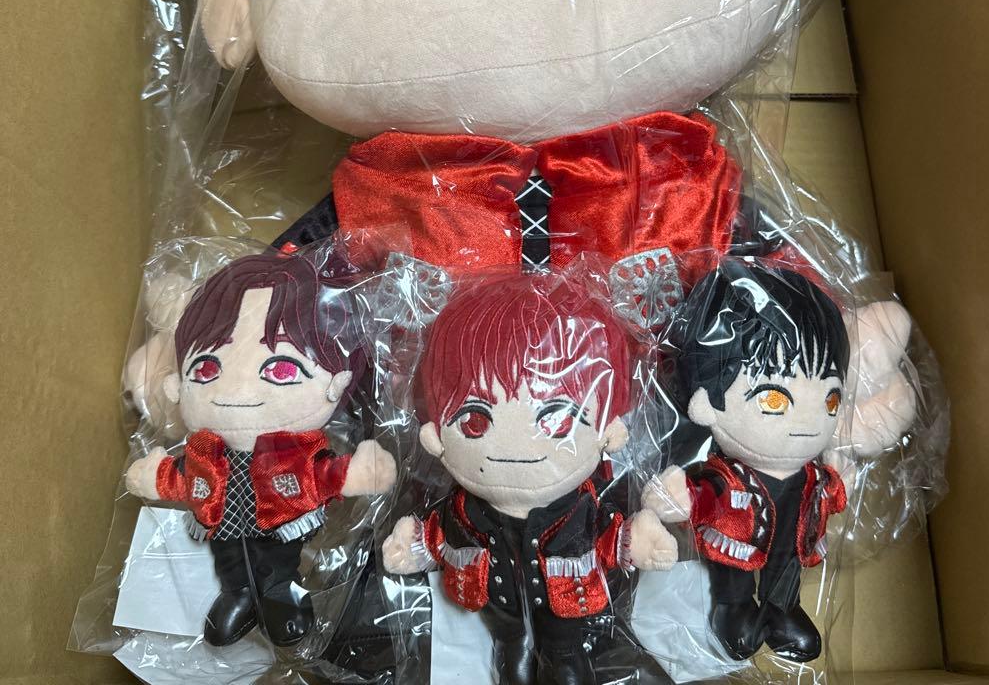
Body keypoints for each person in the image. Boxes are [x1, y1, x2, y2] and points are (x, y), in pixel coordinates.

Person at [381, 270, 677, 685]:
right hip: (498, 608)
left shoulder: (581, 507)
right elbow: (442, 534)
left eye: (556, 420)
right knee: (509, 640)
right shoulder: (465, 509)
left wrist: (635, 540)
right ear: (435, 436)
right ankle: (513, 646)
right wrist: (415, 545)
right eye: (475, 421)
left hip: (566, 609)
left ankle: (563, 653)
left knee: (564, 641)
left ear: (609, 432)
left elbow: (607, 536)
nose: (517, 448)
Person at [125, 251, 397, 647]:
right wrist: (158, 476)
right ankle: (237, 594)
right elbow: (186, 476)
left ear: (336, 382)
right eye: (207, 368)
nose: (236, 390)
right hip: (222, 524)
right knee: (229, 558)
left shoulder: (293, 452)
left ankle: (277, 592)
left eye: (282, 369)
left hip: (279, 523)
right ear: (178, 384)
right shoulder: (205, 450)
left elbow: (319, 474)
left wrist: (351, 473)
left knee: (276, 558)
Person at [643, 261, 848, 663]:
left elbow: (832, 494)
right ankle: (734, 608)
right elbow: (703, 495)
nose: (808, 421)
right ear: (706, 403)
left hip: (790, 541)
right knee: (733, 573)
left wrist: (840, 482)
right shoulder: (728, 473)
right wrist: (678, 498)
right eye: (773, 398)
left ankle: (782, 608)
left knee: (786, 567)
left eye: (830, 399)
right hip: (735, 543)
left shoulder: (812, 473)